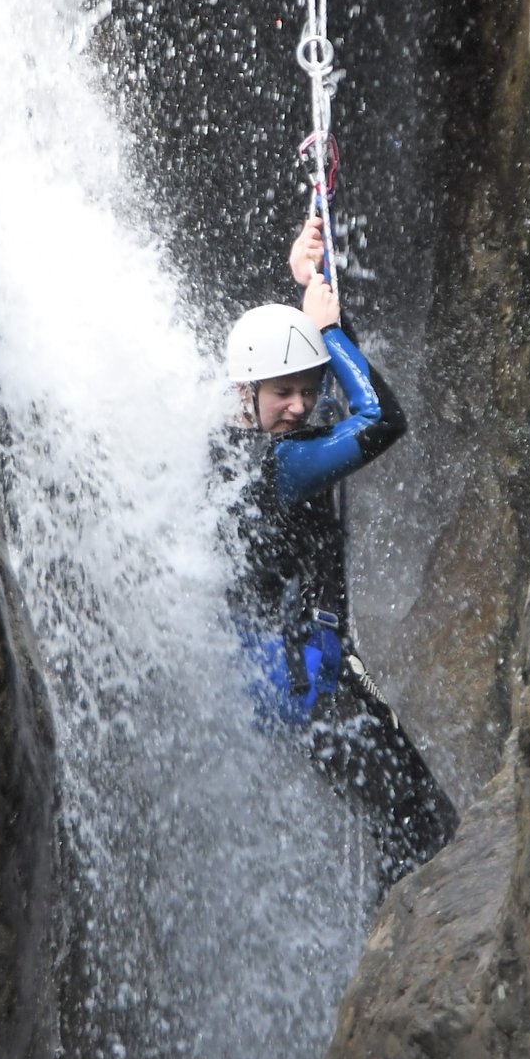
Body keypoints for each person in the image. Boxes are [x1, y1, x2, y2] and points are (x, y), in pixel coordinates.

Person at [222, 215, 457, 893]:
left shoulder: (244, 453)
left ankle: (386, 944)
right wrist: (325, 329)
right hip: (311, 689)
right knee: (422, 825)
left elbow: (339, 407)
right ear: (249, 396)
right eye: (281, 394)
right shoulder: (283, 468)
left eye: (308, 388)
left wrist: (310, 290)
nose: (298, 406)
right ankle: (402, 969)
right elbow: (382, 419)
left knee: (403, 824)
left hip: (296, 684)